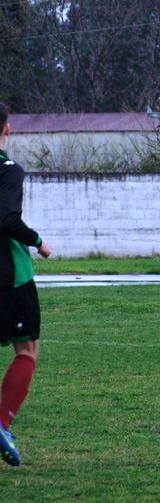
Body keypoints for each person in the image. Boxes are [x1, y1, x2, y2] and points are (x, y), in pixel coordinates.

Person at [0, 102, 51, 466]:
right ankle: (2, 424)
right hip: (9, 276)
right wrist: (38, 241)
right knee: (27, 349)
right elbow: (5, 219)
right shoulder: (8, 170)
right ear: (7, 128)